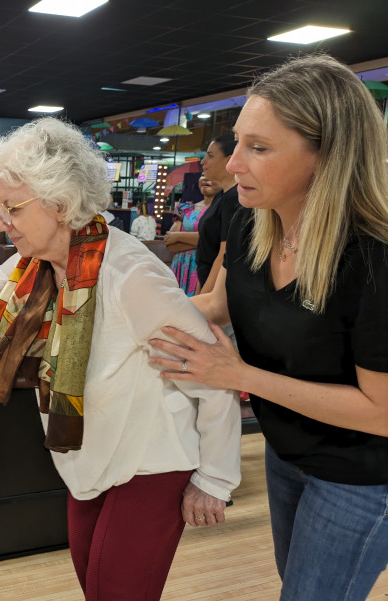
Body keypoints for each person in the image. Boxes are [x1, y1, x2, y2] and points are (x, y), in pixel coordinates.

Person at [0, 118, 241, 601]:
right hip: (84, 459)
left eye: (11, 208)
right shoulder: (33, 268)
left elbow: (210, 375)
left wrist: (214, 478)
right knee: (95, 586)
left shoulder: (131, 276)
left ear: (60, 205)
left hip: (152, 461)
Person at [149, 54, 388, 601]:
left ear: (326, 155)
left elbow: (382, 410)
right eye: (237, 143)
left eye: (258, 148)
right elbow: (218, 304)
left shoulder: (373, 261)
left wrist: (240, 374)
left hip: (361, 474)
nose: (233, 164)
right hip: (287, 452)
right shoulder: (249, 221)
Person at [194, 134, 239, 294]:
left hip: (220, 292)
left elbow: (223, 255)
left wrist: (205, 296)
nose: (203, 161)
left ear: (228, 160)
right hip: (207, 282)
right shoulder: (221, 196)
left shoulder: (234, 199)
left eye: (210, 156)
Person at [164, 174, 221, 296]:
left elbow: (216, 241)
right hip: (181, 266)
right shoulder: (184, 209)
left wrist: (179, 237)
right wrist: (202, 240)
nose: (205, 178)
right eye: (202, 175)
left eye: (210, 174)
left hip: (205, 267)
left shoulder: (222, 210)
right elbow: (169, 242)